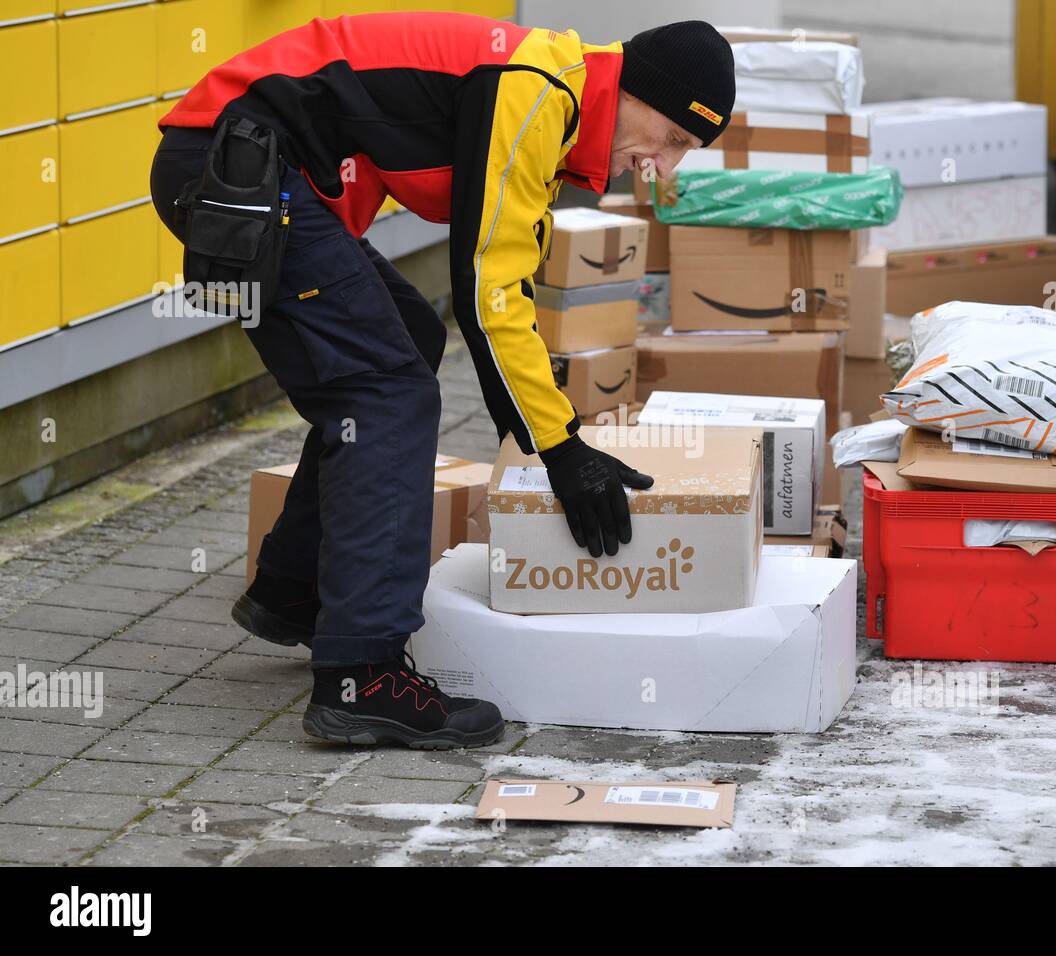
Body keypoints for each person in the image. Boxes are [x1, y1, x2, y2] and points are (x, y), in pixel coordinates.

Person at [148, 12, 735, 749]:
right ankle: (362, 676)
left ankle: (293, 593)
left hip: (260, 166)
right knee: (387, 391)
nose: (664, 164)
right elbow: (484, 292)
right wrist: (560, 449)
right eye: (674, 137)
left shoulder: (559, 107)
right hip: (238, 166)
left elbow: (506, 287)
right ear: (637, 90)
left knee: (407, 344)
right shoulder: (538, 91)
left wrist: (548, 435)